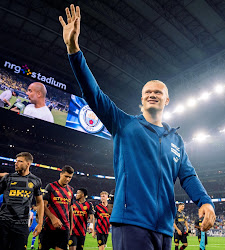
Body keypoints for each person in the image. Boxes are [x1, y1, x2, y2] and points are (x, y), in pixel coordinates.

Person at [59, 5, 215, 249]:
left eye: (158, 92)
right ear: (141, 100)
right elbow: (93, 93)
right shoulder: (124, 124)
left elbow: (188, 176)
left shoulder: (177, 141)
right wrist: (73, 50)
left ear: (167, 100)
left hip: (164, 228)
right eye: (148, 92)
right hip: (131, 224)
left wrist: (204, 201)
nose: (153, 94)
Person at [0, 152, 44, 250]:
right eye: (16, 161)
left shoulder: (35, 180)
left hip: (22, 224)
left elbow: (40, 202)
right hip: (4, 222)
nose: (16, 163)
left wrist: (40, 223)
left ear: (28, 164)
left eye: (20, 161)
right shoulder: (8, 178)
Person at [39, 165, 74, 250]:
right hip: (48, 226)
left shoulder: (71, 190)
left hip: (64, 228)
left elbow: (70, 209)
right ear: (61, 174)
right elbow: (43, 205)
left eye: (70, 177)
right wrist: (53, 218)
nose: (68, 179)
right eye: (66, 176)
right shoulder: (50, 186)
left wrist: (71, 227)